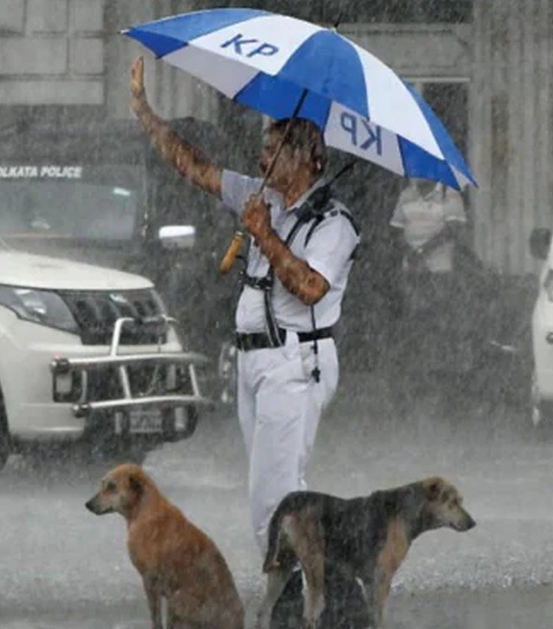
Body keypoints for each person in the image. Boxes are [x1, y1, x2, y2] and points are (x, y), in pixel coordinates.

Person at [129, 56, 360, 554]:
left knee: (272, 496)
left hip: (295, 360)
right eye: (264, 151)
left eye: (273, 151)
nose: (263, 162)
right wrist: (147, 114)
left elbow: (311, 287)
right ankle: (302, 583)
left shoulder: (332, 222)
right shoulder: (264, 197)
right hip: (254, 360)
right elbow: (197, 168)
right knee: (273, 488)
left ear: (307, 156)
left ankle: (294, 590)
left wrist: (264, 233)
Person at [389, 178, 470, 387]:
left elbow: (454, 230)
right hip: (413, 272)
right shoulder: (407, 194)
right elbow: (396, 230)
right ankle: (418, 374)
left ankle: (441, 375)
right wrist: (410, 253)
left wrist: (423, 251)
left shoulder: (449, 194)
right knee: (415, 322)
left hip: (440, 271)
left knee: (440, 322)